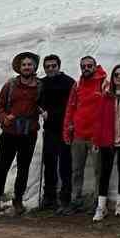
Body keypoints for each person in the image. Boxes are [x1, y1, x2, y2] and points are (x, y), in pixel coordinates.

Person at [0, 51, 44, 216]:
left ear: (34, 67)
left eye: (29, 64)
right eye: (24, 64)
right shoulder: (10, 85)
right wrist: (4, 118)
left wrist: (42, 112)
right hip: (10, 132)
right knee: (2, 167)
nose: (27, 67)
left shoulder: (39, 86)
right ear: (19, 67)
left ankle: (18, 200)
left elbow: (43, 104)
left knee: (23, 168)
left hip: (28, 133)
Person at [61, 56, 104, 215]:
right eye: (83, 66)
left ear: (95, 66)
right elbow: (70, 108)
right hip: (79, 135)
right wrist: (67, 129)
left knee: (98, 171)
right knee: (76, 170)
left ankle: (98, 202)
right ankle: (75, 201)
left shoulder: (103, 83)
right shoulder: (77, 85)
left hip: (96, 136)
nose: (86, 68)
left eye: (89, 66)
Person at [36, 54, 75, 214]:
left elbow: (72, 105)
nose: (51, 69)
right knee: (49, 162)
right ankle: (49, 197)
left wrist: (50, 114)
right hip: (50, 129)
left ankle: (65, 199)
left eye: (53, 66)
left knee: (65, 164)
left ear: (59, 66)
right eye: (48, 66)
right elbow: (37, 102)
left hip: (65, 128)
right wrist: (41, 110)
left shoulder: (69, 82)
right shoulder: (42, 83)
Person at [96, 63, 120, 219]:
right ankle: (101, 206)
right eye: (116, 75)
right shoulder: (106, 95)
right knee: (105, 172)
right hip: (108, 140)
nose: (119, 77)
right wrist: (97, 140)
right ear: (112, 77)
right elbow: (99, 119)